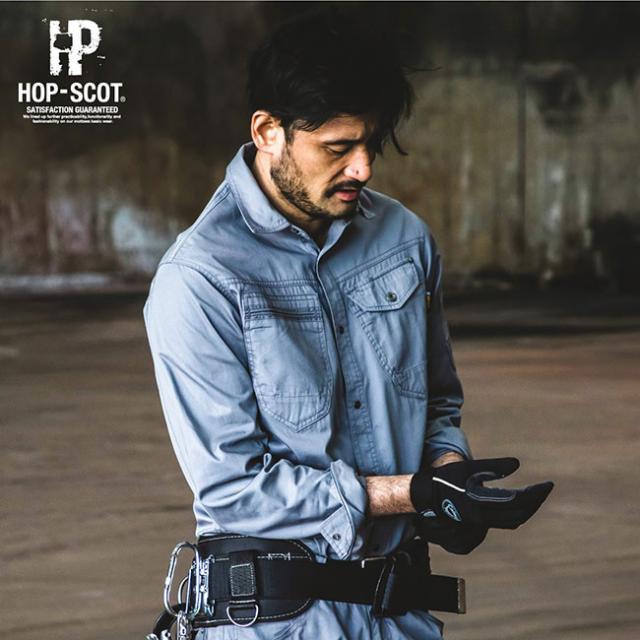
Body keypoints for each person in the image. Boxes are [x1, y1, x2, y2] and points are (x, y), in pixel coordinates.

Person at [144, 9, 552, 640]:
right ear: (268, 132)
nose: (363, 169)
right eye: (338, 148)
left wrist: (449, 477)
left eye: (373, 144)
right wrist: (412, 493)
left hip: (403, 615)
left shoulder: (405, 240)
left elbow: (438, 401)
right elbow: (233, 488)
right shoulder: (199, 278)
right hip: (275, 623)